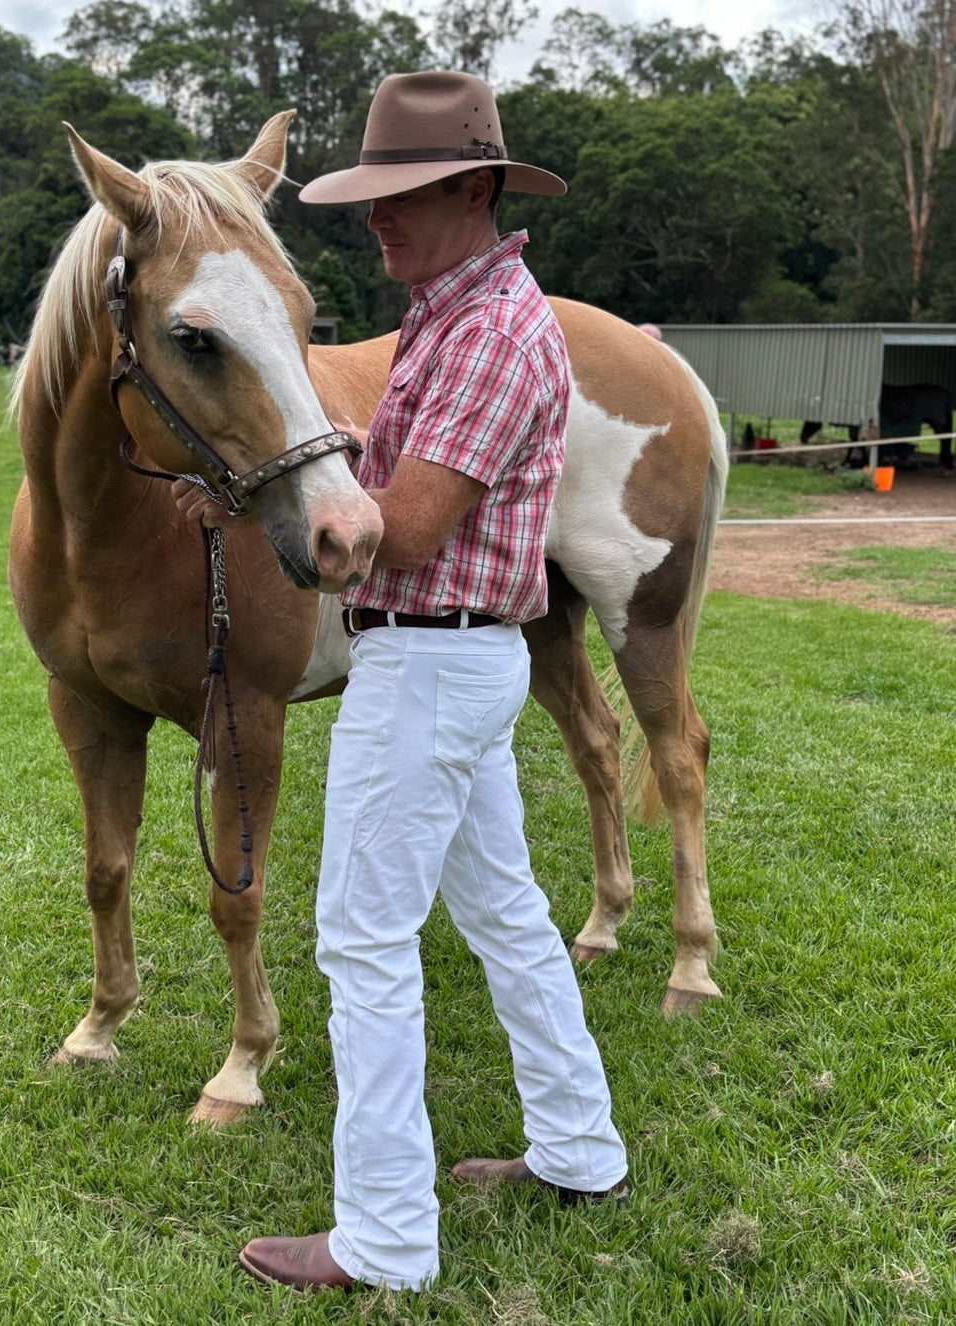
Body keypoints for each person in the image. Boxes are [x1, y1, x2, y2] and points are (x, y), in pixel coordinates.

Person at [184, 69, 629, 1294]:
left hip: (429, 655)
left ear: (478, 189)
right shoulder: (452, 311)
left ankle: (382, 1236)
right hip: (454, 661)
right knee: (507, 920)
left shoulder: (491, 333)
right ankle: (581, 1149)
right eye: (371, 197)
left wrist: (296, 517)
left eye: (408, 195)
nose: (376, 218)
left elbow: (412, 528)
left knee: (364, 942)